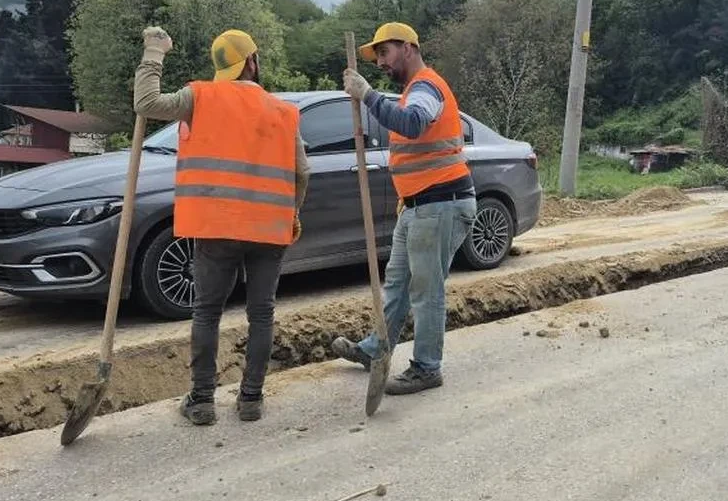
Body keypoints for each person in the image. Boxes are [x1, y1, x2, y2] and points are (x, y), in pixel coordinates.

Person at [132, 26, 308, 425]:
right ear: (252, 62)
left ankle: (202, 401)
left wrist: (154, 54)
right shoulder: (283, 111)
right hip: (268, 230)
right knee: (261, 313)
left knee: (207, 312)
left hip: (216, 228)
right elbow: (302, 171)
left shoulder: (199, 97)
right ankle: (250, 400)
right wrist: (293, 213)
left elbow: (146, 103)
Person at [330, 22, 476, 395]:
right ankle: (375, 348)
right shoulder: (413, 91)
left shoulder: (426, 86)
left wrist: (368, 95)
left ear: (408, 47)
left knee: (426, 290)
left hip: (441, 203)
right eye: (376, 55)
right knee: (396, 283)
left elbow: (412, 125)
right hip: (417, 206)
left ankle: (427, 367)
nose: (380, 61)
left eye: (385, 52)